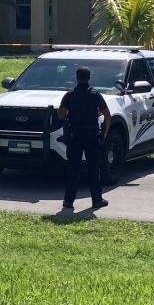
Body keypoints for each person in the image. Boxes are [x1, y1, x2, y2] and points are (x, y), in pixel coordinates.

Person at [57, 67, 112, 210]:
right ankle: (97, 200)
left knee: (73, 169)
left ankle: (68, 201)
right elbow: (107, 114)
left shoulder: (69, 95)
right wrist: (104, 133)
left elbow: (61, 115)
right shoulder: (95, 95)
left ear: (76, 77)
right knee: (93, 169)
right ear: (89, 77)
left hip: (75, 136)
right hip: (92, 136)